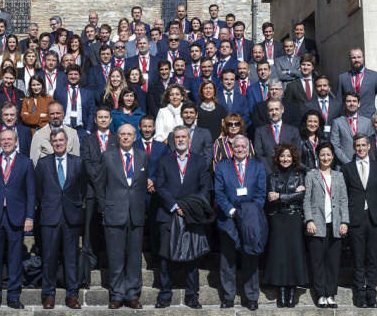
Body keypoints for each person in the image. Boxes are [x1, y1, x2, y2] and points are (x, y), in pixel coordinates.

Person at [153, 125, 211, 309]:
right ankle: (164, 294)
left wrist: (187, 206)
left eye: (183, 137)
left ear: (189, 139)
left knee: (192, 256)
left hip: (191, 213)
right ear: (173, 140)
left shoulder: (200, 161)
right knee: (165, 256)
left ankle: (192, 295)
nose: (180, 140)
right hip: (168, 213)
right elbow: (160, 186)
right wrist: (174, 205)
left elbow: (204, 187)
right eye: (177, 137)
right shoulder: (164, 160)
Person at [0, 129, 35, 309]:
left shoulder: (26, 163)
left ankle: (13, 296)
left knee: (14, 258)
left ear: (16, 141)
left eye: (9, 139)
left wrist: (29, 217)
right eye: (3, 139)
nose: (6, 142)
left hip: (16, 217)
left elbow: (30, 193)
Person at [97, 124, 149, 309]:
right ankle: (117, 294)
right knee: (116, 256)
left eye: (129, 134)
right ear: (117, 137)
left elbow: (142, 186)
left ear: (135, 137)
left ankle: (133, 294)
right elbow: (100, 184)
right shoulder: (108, 156)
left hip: (136, 213)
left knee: (134, 257)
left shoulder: (143, 156)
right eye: (122, 134)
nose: (126, 137)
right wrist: (104, 207)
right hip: (114, 212)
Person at [214, 136, 266, 310]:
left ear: (248, 148)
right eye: (237, 146)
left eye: (243, 146)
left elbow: (261, 193)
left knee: (250, 257)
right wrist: (232, 211)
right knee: (228, 259)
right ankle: (228, 297)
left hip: (250, 220)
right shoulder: (222, 166)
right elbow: (219, 193)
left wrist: (248, 212)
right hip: (228, 218)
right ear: (232, 148)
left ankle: (251, 297)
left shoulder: (257, 166)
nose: (240, 149)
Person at [35, 129, 86, 309]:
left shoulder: (78, 162)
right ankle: (48, 295)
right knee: (49, 258)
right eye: (54, 140)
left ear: (67, 141)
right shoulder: (42, 163)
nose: (58, 143)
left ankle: (72, 295)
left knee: (71, 258)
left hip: (71, 217)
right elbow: (38, 191)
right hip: (50, 217)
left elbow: (82, 188)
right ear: (51, 142)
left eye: (61, 140)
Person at [304, 142, 349, 308]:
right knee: (318, 262)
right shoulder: (311, 175)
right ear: (318, 156)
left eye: (328, 154)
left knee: (333, 262)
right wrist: (309, 220)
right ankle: (321, 294)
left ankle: (331, 294)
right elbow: (306, 200)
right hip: (317, 224)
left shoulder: (339, 175)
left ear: (333, 156)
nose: (325, 158)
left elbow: (344, 200)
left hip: (335, 224)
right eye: (322, 154)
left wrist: (345, 221)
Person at [342, 134, 377, 308]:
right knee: (358, 257)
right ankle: (360, 294)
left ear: (369, 147)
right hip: (356, 218)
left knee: (373, 258)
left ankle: (371, 294)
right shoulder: (347, 168)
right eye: (357, 146)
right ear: (354, 148)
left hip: (374, 217)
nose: (360, 148)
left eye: (363, 145)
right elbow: (344, 195)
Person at [264, 143, 308, 308]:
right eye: (282, 156)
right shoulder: (272, 176)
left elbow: (302, 195)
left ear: (293, 158)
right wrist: (292, 195)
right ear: (278, 158)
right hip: (278, 219)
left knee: (294, 255)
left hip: (294, 219)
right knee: (280, 257)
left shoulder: (299, 175)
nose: (285, 159)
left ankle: (292, 292)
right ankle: (282, 292)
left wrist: (281, 196)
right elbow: (270, 197)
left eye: (288, 156)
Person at [78, 106, 117, 287]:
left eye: (106, 117)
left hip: (112, 191)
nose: (102, 120)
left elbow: (117, 164)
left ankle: (110, 265)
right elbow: (86, 162)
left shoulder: (117, 139)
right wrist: (98, 179)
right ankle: (86, 272)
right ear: (95, 120)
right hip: (92, 191)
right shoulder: (87, 139)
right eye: (100, 117)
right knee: (89, 231)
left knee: (111, 230)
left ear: (110, 120)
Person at [336, 47, 377, 118]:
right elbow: (338, 102)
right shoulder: (343, 78)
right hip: (348, 119)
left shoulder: (375, 76)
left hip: (369, 119)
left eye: (359, 57)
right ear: (350, 59)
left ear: (363, 58)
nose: (356, 60)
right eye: (353, 58)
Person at [253, 99, 300, 172]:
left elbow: (297, 152)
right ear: (267, 112)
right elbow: (259, 154)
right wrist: (270, 172)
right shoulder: (260, 131)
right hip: (268, 173)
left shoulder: (293, 131)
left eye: (276, 109)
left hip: (289, 173)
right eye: (271, 110)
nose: (274, 112)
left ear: (282, 110)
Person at [53, 64, 95, 138]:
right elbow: (54, 111)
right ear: (67, 76)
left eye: (76, 74)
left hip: (81, 131)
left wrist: (88, 131)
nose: (73, 77)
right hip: (63, 129)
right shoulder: (59, 91)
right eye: (70, 74)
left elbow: (91, 113)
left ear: (79, 76)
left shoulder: (88, 93)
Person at [331, 92, 373, 166]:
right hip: (343, 165)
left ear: (359, 104)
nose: (351, 104)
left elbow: (370, 143)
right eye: (348, 101)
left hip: (363, 163)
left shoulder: (367, 122)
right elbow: (334, 145)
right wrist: (348, 163)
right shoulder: (337, 122)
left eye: (354, 101)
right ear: (344, 104)